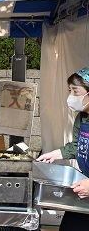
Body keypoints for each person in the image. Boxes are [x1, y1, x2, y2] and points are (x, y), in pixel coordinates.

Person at [36, 67, 89, 230]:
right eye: (69, 91)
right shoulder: (82, 117)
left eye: (75, 91)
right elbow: (77, 146)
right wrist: (54, 154)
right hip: (84, 188)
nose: (70, 97)